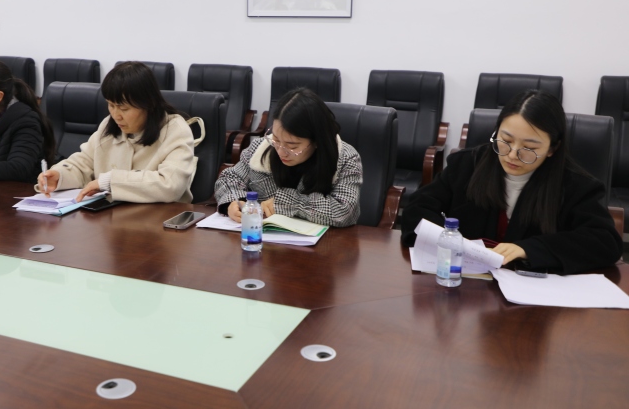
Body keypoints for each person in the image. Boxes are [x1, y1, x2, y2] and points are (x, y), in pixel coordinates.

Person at [401, 90, 622, 275]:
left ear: (552, 149)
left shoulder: (576, 185)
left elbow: (605, 242)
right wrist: (450, 241)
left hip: (532, 295)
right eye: (505, 140)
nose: (513, 154)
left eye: (529, 148)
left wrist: (528, 249)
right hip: (467, 285)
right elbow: (417, 210)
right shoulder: (466, 165)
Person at [38, 61, 196, 203]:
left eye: (124, 108)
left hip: (161, 220)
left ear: (148, 104)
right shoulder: (110, 125)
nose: (115, 115)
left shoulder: (175, 130)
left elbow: (170, 185)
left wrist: (109, 182)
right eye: (111, 105)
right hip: (113, 217)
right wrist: (59, 175)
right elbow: (84, 163)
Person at [214, 87, 362, 228]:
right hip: (263, 238)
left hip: (325, 242)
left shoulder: (345, 158)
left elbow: (344, 211)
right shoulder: (261, 148)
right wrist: (235, 202)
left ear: (317, 141)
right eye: (276, 139)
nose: (281, 152)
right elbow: (230, 178)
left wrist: (289, 202)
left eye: (292, 146)